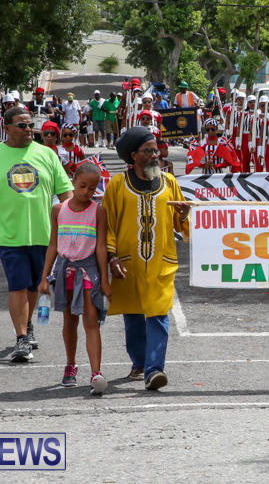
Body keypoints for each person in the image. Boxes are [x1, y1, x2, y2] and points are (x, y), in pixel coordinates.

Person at [0, 106, 74, 362]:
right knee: (18, 283)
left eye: (31, 125)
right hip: (8, 235)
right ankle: (22, 338)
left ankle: (27, 324)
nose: (29, 130)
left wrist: (74, 225)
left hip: (43, 234)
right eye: (22, 125)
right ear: (7, 128)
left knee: (34, 285)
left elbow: (65, 192)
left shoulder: (46, 154)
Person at [102, 127, 191, 390]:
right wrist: (112, 256)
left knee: (158, 314)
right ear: (133, 156)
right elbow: (108, 225)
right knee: (133, 316)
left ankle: (154, 370)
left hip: (162, 262)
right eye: (148, 151)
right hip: (127, 263)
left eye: (156, 150)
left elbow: (180, 222)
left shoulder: (169, 182)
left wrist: (183, 215)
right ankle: (139, 363)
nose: (155, 155)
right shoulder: (118, 185)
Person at [38, 162, 111, 394]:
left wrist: (105, 280)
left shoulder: (98, 211)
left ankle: (96, 372)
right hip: (65, 270)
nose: (86, 192)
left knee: (91, 321)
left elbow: (101, 247)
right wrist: (44, 277)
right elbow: (53, 244)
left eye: (92, 188)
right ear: (73, 181)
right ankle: (70, 365)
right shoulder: (58, 210)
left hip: (89, 271)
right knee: (69, 320)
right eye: (82, 186)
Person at [239, 95, 256, 172]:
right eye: (250, 102)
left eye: (254, 102)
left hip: (256, 137)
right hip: (245, 136)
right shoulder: (244, 114)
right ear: (248, 103)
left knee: (256, 159)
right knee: (245, 158)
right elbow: (240, 127)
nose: (253, 104)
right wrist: (238, 140)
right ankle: (245, 174)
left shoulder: (260, 114)